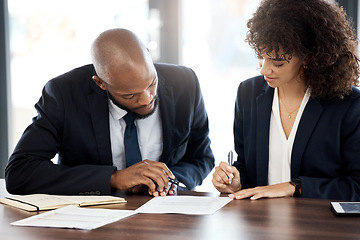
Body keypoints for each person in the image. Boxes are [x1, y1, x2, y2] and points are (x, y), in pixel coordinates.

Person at [5, 28, 214, 197]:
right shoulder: (64, 94)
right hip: (91, 223)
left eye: (152, 84)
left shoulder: (185, 83)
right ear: (100, 83)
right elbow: (20, 172)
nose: (146, 99)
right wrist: (114, 178)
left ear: (149, 57)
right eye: (130, 96)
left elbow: (201, 158)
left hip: (165, 218)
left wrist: (167, 181)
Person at [212, 0, 360, 201]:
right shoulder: (248, 93)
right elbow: (247, 167)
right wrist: (235, 182)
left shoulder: (349, 104)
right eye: (260, 57)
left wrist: (294, 187)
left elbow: (356, 185)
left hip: (319, 226)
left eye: (277, 62)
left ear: (308, 57)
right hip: (260, 225)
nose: (264, 70)